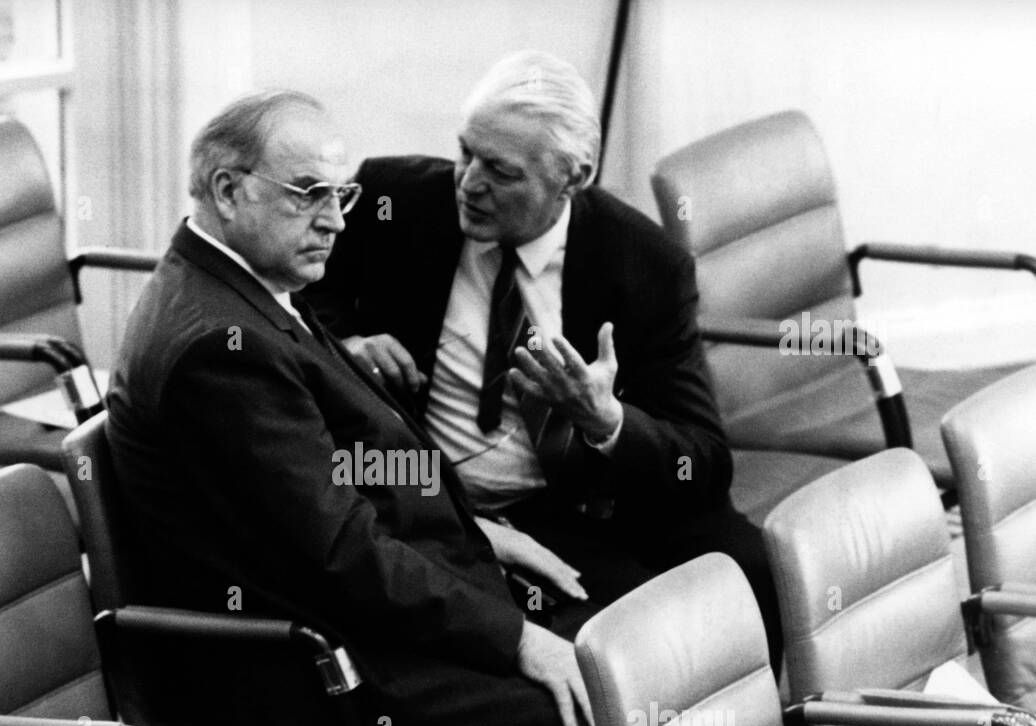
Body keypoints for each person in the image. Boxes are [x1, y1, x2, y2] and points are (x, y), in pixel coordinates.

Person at [105, 89, 610, 726]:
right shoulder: (215, 348)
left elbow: (332, 477)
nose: (338, 219)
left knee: (608, 651)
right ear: (228, 192)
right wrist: (512, 636)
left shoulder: (244, 289)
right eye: (310, 193)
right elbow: (341, 554)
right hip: (297, 663)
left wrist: (483, 533)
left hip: (342, 610)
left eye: (341, 195)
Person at [303, 51, 783, 669]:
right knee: (631, 639)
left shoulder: (642, 262)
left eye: (500, 172)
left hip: (578, 499)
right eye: (465, 152)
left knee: (745, 575)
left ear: (572, 178)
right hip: (431, 496)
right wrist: (346, 345)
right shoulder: (395, 201)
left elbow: (704, 459)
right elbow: (302, 293)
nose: (469, 182)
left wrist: (606, 419)